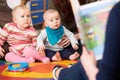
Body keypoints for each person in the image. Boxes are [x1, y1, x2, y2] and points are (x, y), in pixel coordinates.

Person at [52, 1, 120, 80]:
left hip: (84, 40)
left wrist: (89, 66)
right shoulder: (56, 4)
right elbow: (49, 22)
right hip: (69, 41)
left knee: (88, 65)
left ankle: (61, 73)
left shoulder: (116, 11)